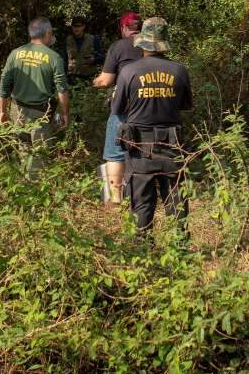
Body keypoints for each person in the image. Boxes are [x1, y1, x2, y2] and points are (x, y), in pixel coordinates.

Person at [112, 17, 192, 232]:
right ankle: (180, 246)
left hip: (139, 149)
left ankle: (143, 249)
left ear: (143, 42)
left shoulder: (128, 72)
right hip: (172, 147)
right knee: (176, 200)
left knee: (142, 203)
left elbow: (117, 109)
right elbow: (185, 105)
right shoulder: (180, 71)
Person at [0, 17, 70, 173]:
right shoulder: (54, 57)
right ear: (48, 33)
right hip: (40, 115)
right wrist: (65, 113)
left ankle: (24, 189)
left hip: (17, 111)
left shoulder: (14, 54)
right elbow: (62, 89)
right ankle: (35, 190)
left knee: (23, 152)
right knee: (40, 156)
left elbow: (4, 85)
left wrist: (2, 111)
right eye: (51, 34)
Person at [93, 12, 143, 202]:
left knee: (115, 154)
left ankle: (116, 200)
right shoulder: (152, 46)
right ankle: (141, 195)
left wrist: (95, 82)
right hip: (148, 108)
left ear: (123, 28)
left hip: (123, 108)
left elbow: (106, 80)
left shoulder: (119, 46)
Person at [63, 16, 105, 81]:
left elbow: (102, 58)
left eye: (78, 26)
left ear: (83, 26)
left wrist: (94, 60)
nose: (76, 29)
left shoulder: (93, 39)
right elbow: (64, 60)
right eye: (74, 26)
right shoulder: (68, 40)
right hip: (72, 77)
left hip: (89, 77)